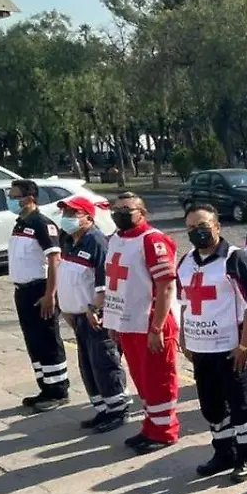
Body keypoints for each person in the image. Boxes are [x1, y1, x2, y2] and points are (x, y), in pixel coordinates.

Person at [176, 204, 247, 484]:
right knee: (212, 407)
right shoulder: (186, 261)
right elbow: (185, 303)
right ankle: (223, 452)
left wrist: (245, 344)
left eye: (202, 225)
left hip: (231, 348)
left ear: (217, 226)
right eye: (190, 227)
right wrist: (184, 336)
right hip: (201, 348)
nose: (196, 232)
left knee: (241, 406)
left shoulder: (235, 259)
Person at [103, 193, 181, 455]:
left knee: (159, 379)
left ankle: (165, 431)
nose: (120, 212)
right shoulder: (115, 239)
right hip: (128, 323)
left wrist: (157, 327)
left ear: (142, 212)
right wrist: (113, 323)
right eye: (117, 208)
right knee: (143, 380)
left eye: (128, 208)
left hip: (150, 322)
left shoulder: (152, 240)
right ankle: (151, 426)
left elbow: (166, 285)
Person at [55, 196, 129, 431]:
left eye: (72, 214)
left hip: (95, 316)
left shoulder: (96, 242)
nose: (66, 218)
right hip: (77, 317)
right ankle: (101, 408)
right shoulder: (69, 241)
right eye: (65, 213)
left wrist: (95, 308)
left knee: (105, 362)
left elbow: (104, 281)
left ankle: (117, 409)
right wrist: (65, 308)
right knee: (87, 365)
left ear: (88, 217)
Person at [7, 180, 69, 412]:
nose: (10, 200)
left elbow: (54, 260)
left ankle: (59, 390)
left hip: (40, 290)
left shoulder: (42, 224)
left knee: (48, 340)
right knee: (33, 341)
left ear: (29, 198)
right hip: (22, 291)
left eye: (14, 196)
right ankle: (45, 387)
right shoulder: (20, 224)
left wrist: (50, 294)